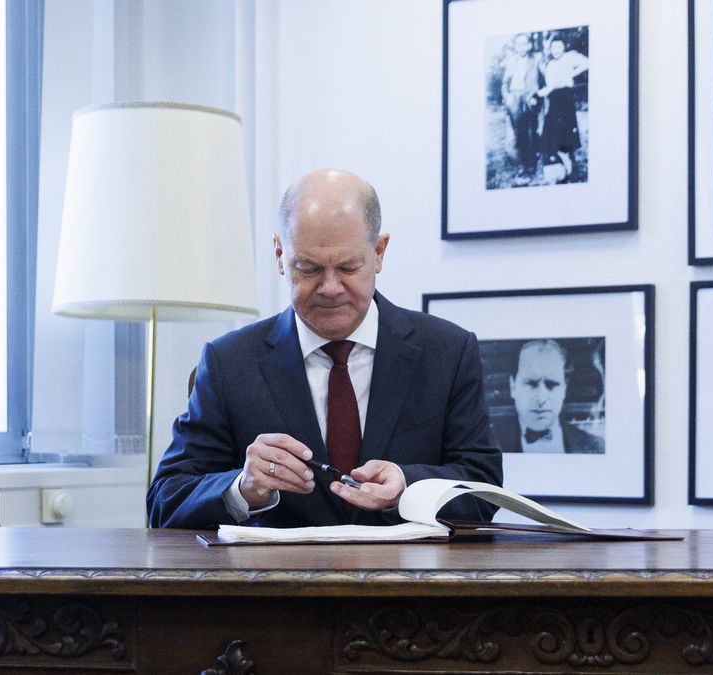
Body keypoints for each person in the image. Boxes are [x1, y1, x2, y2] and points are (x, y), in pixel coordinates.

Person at [147, 169, 503, 529]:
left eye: (348, 267)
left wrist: (407, 486)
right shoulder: (228, 363)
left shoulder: (448, 352)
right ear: (279, 255)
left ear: (379, 253)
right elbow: (166, 500)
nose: (330, 288)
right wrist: (243, 488)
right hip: (275, 568)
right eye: (308, 268)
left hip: (408, 567)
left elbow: (484, 487)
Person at [495, 340, 604, 454]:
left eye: (552, 385)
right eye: (531, 383)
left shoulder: (596, 447)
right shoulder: (488, 445)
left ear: (564, 388)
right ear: (513, 386)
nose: (541, 399)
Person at [536, 35, 588, 185]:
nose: (556, 50)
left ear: (564, 46)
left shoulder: (570, 57)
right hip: (553, 100)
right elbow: (549, 84)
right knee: (552, 135)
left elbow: (587, 63)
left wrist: (570, 74)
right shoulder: (550, 64)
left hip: (566, 99)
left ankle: (572, 170)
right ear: (550, 49)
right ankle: (562, 170)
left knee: (567, 136)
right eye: (554, 47)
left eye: (559, 46)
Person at [499, 33, 541, 184]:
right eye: (519, 44)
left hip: (529, 98)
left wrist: (536, 95)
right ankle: (521, 166)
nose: (522, 47)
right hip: (514, 98)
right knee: (518, 134)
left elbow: (542, 78)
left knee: (530, 132)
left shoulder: (536, 60)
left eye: (524, 44)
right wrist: (507, 97)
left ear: (529, 45)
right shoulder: (511, 62)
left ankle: (531, 166)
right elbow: (504, 83)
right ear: (515, 47)